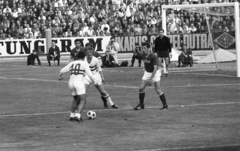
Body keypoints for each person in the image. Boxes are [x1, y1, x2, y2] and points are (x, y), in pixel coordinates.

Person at [59, 51, 96, 122]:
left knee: (75, 99)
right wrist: (94, 81)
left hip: (71, 83)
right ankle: (78, 115)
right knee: (83, 100)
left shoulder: (72, 63)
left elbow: (61, 71)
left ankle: (72, 115)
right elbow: (90, 74)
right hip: (78, 83)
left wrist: (60, 77)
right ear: (84, 57)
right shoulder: (84, 64)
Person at [134, 42, 168, 110]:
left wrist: (151, 79)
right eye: (142, 48)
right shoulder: (143, 54)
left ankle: (165, 105)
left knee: (157, 89)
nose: (143, 49)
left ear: (149, 48)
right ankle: (141, 105)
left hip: (156, 72)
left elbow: (155, 68)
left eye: (145, 48)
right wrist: (135, 50)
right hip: (147, 72)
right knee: (141, 88)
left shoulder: (153, 56)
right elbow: (136, 55)